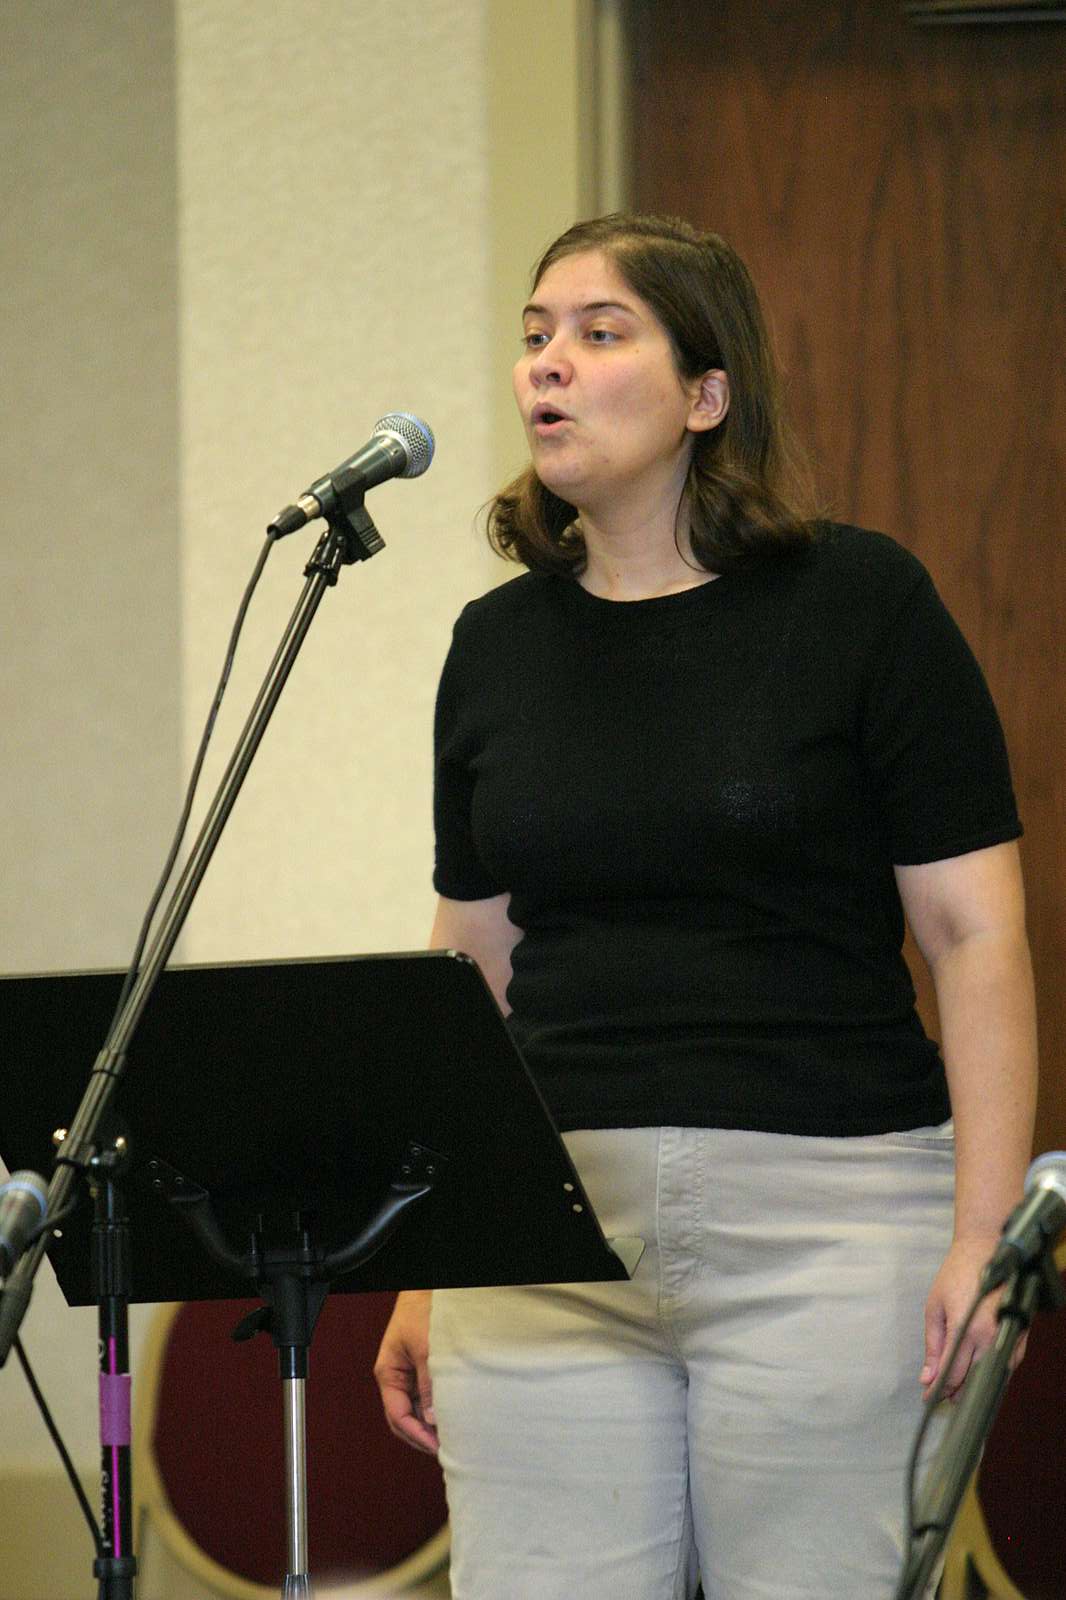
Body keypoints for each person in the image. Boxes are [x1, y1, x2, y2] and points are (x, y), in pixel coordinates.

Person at [373, 213, 1037, 1600]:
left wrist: (983, 1239)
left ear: (706, 394)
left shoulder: (861, 603)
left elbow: (974, 935)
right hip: (542, 1238)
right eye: (534, 335)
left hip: (831, 1226)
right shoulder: (495, 644)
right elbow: (470, 961)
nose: (547, 363)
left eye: (599, 332)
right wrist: (430, 1259)